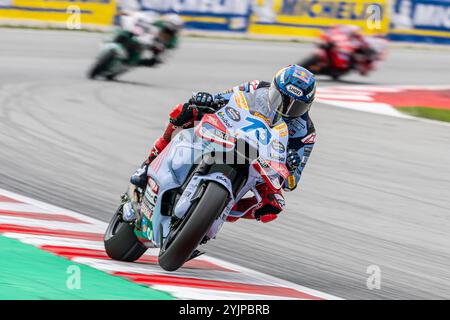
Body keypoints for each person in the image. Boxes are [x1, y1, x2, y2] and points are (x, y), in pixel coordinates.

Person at [130, 65, 317, 224]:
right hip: (231, 134)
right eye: (282, 99)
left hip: (263, 161)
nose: (286, 109)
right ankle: (146, 166)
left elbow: (291, 183)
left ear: (307, 106)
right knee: (186, 110)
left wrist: (291, 166)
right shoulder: (255, 87)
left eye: (296, 106)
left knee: (273, 206)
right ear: (273, 89)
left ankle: (217, 213)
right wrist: (207, 100)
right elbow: (223, 98)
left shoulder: (306, 133)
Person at [113, 11, 183, 67]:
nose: (169, 31)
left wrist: (159, 56)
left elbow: (167, 54)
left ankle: (131, 63)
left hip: (153, 45)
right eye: (168, 28)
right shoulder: (158, 22)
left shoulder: (173, 40)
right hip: (144, 35)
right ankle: (113, 42)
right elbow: (141, 17)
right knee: (127, 31)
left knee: (153, 62)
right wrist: (128, 13)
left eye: (171, 30)